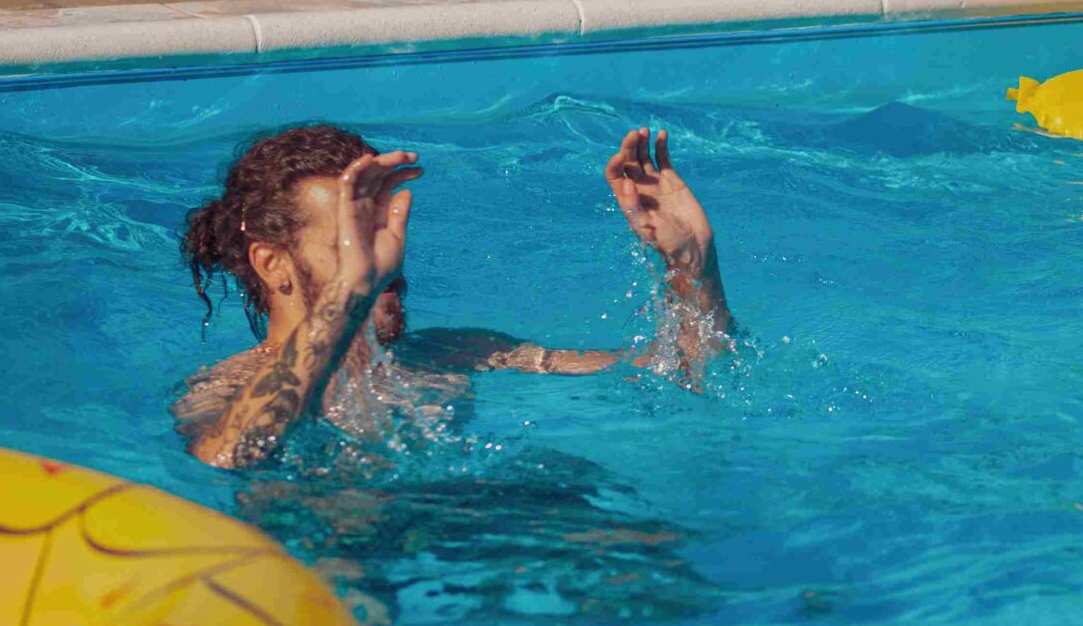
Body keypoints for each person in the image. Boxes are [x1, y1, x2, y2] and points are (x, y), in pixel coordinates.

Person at [174, 122, 733, 470]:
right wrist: (350, 291)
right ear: (274, 266)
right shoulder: (227, 387)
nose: (380, 261)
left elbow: (682, 378)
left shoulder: (455, 352)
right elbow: (230, 455)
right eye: (348, 241)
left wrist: (691, 268)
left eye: (382, 233)